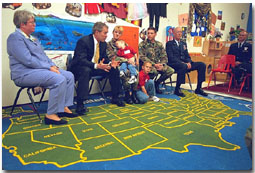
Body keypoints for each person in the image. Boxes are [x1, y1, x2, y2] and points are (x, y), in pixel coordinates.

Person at [7, 10, 76, 125]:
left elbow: (43, 56)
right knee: (58, 79)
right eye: (31, 22)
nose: (34, 24)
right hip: (24, 74)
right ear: (22, 24)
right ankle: (51, 115)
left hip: (39, 70)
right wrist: (49, 68)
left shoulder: (33, 38)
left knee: (69, 76)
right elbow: (27, 60)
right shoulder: (14, 38)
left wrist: (52, 65)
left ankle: (63, 107)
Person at [70, 22, 125, 115]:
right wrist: (97, 66)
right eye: (105, 33)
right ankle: (80, 104)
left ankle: (115, 97)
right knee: (85, 70)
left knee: (113, 69)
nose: (106, 35)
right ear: (97, 32)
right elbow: (81, 60)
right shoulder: (84, 41)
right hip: (80, 68)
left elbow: (105, 59)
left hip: (95, 67)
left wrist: (111, 63)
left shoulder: (103, 44)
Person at [166, 27, 208, 97]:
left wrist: (189, 62)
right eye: (177, 32)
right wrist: (183, 63)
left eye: (180, 32)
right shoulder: (169, 44)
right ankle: (177, 89)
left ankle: (198, 88)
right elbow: (171, 57)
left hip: (185, 64)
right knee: (183, 66)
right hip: (174, 64)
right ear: (173, 33)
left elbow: (187, 55)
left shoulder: (183, 43)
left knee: (202, 65)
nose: (179, 34)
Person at [106, 26, 139, 104]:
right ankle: (127, 95)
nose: (117, 34)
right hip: (117, 64)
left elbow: (131, 52)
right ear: (113, 32)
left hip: (128, 63)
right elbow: (113, 57)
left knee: (136, 72)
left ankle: (133, 93)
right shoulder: (109, 45)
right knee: (125, 72)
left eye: (119, 33)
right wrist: (127, 60)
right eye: (116, 32)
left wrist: (133, 60)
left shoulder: (124, 43)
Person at [139, 27, 174, 94]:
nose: (149, 35)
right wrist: (153, 64)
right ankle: (147, 86)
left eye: (151, 33)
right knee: (154, 71)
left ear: (155, 34)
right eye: (148, 33)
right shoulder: (142, 44)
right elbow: (142, 57)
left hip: (158, 65)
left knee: (170, 70)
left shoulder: (159, 44)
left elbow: (164, 56)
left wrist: (162, 64)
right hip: (148, 66)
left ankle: (156, 84)